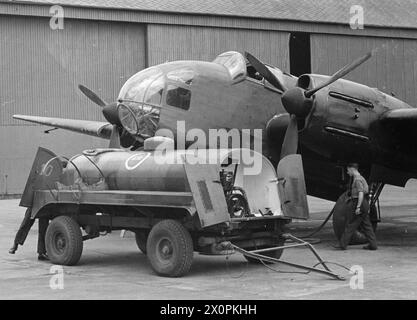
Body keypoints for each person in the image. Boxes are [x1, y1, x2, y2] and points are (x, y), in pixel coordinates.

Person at [336, 163, 378, 250]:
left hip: (359, 202)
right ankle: (373, 245)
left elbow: (361, 193)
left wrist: (358, 207)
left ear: (352, 169)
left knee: (351, 224)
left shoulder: (357, 180)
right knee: (367, 226)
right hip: (364, 203)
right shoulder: (361, 178)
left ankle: (342, 245)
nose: (347, 172)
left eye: (348, 170)